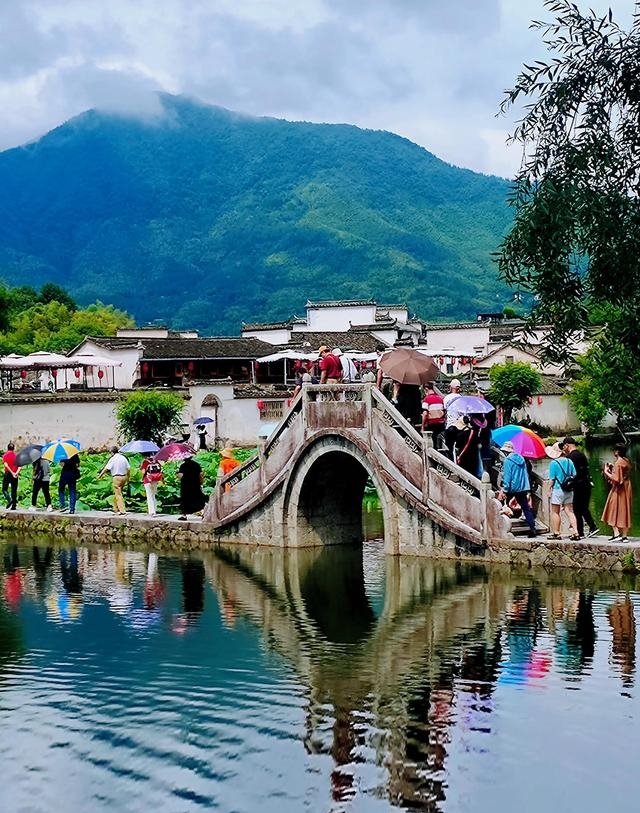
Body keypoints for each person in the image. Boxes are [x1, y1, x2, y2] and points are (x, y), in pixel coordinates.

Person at [498, 440, 537, 536]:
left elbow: (508, 476)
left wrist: (505, 489)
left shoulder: (508, 461)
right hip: (523, 487)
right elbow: (525, 474)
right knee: (526, 508)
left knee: (499, 503)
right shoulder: (521, 459)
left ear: (505, 451)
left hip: (512, 487)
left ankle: (499, 525)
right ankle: (532, 528)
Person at [562, 437, 598, 538]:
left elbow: (570, 474)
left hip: (578, 485)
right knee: (582, 507)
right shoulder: (582, 455)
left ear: (566, 445)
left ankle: (590, 527)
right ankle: (584, 530)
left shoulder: (570, 458)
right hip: (586, 483)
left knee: (578, 509)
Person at [546, 442, 579, 540]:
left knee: (555, 512)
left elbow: (552, 479)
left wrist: (549, 490)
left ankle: (556, 533)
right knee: (570, 511)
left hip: (558, 489)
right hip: (569, 490)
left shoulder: (554, 463)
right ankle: (576, 532)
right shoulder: (569, 461)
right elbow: (574, 474)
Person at [601, 443, 633, 541]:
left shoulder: (618, 463)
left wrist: (606, 471)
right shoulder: (626, 461)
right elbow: (622, 474)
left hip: (619, 489)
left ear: (617, 451)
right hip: (627, 487)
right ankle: (624, 536)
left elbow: (617, 479)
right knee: (625, 510)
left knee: (612, 509)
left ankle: (616, 533)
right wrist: (613, 468)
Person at [97, 446, 131, 515]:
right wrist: (128, 477)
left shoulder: (113, 459)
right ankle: (115, 508)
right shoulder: (123, 458)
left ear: (112, 452)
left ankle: (122, 510)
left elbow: (106, 468)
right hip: (124, 477)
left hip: (117, 477)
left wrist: (100, 476)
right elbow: (128, 468)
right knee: (118, 492)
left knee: (118, 494)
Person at [177, 454, 206, 520]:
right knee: (198, 498)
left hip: (186, 486)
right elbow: (201, 475)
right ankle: (202, 512)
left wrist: (177, 474)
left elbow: (180, 476)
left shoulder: (183, 466)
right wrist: (201, 482)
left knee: (185, 500)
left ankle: (184, 515)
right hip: (195, 485)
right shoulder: (196, 464)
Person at [421, 382, 446, 448]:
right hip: (441, 424)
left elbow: (425, 414)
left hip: (432, 424)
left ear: (426, 389)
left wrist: (422, 426)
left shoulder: (426, 399)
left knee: (433, 442)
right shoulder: (441, 399)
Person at [443, 379, 463, 459]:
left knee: (449, 447)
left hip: (449, 425)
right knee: (459, 447)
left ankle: (451, 461)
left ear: (451, 387)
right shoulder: (461, 398)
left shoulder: (446, 398)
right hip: (459, 426)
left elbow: (444, 409)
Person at [2, 442, 20, 510]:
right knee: (14, 490)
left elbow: (6, 465)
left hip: (8, 474)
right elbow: (20, 466)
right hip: (15, 474)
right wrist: (16, 473)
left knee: (4, 489)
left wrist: (12, 472)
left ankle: (10, 500)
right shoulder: (17, 456)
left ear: (7, 448)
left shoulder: (5, 455)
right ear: (13, 448)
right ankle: (14, 506)